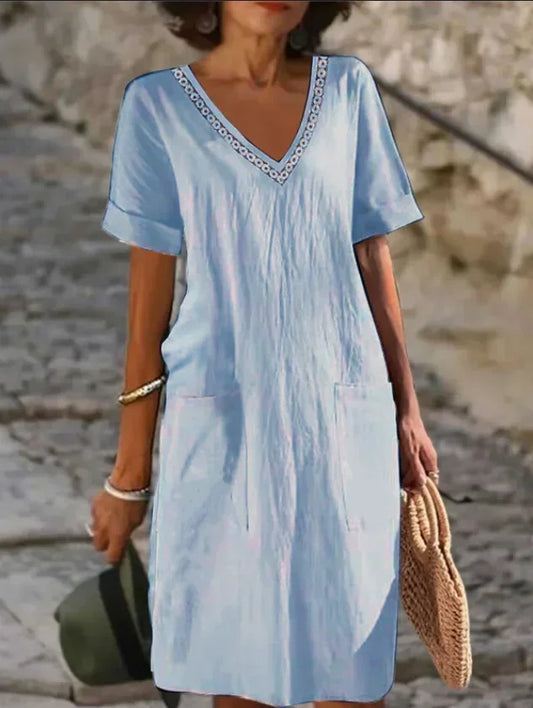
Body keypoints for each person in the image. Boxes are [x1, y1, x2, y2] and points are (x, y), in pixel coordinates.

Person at [89, 2, 440, 707]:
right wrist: (129, 479)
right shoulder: (157, 109)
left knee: (351, 674)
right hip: (223, 431)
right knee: (241, 679)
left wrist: (406, 412)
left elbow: (372, 257)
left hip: (342, 422)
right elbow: (146, 322)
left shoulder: (348, 92)